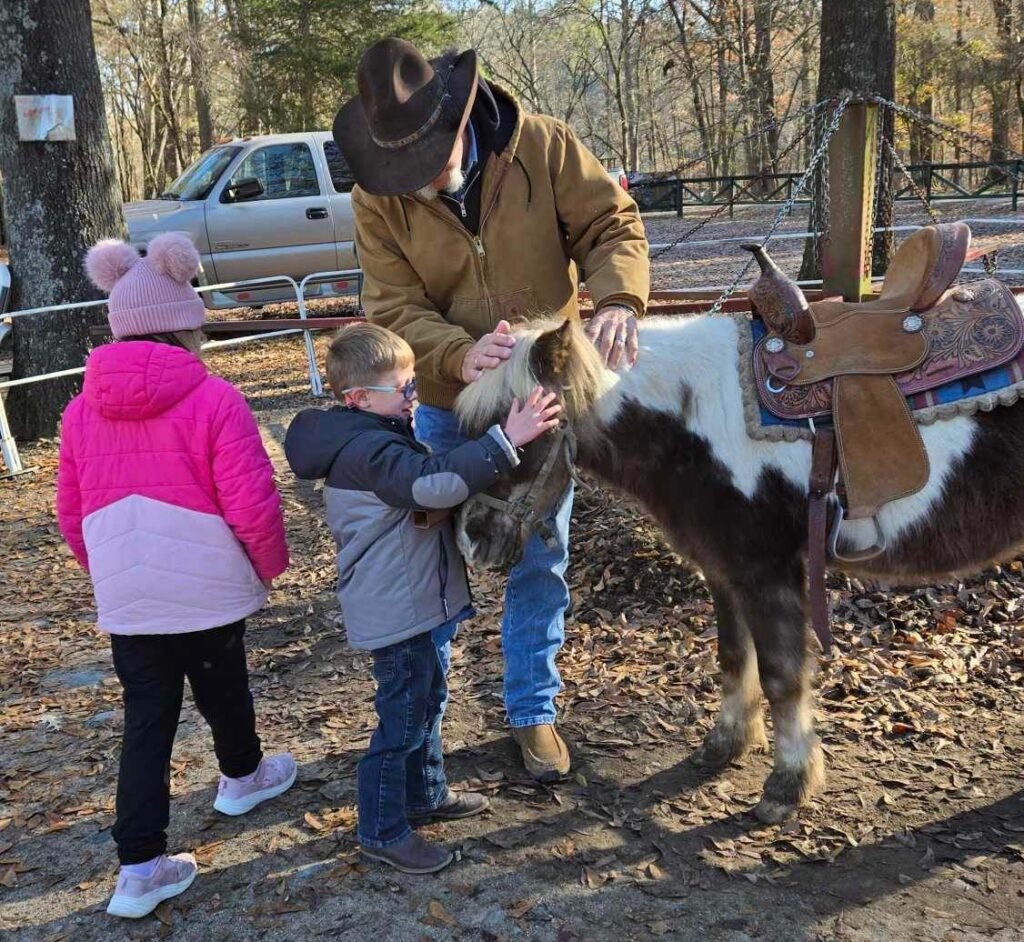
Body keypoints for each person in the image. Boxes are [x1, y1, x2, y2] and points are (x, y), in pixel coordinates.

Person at [333, 37, 650, 781]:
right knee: (432, 563)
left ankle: (533, 711)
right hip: (446, 400)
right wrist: (453, 354)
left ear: (458, 117)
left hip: (540, 393)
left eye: (430, 162)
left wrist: (616, 299)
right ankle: (425, 720)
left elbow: (612, 225)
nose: (421, 180)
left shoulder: (542, 146)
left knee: (539, 554)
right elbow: (391, 304)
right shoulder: (375, 195)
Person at [56, 233, 295, 918]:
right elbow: (251, 500)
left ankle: (137, 867)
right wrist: (267, 565)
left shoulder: (78, 411)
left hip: (128, 595)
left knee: (147, 720)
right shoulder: (216, 399)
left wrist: (108, 569)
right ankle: (242, 775)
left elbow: (72, 511)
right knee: (224, 686)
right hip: (207, 585)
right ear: (184, 323)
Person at [284, 323, 561, 873]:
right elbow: (431, 484)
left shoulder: (373, 432)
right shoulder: (367, 448)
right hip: (397, 611)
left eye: (413, 384)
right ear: (359, 398)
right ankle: (382, 830)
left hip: (411, 602)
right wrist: (506, 440)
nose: (413, 396)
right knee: (402, 721)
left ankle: (426, 793)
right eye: (403, 388)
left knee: (428, 701)